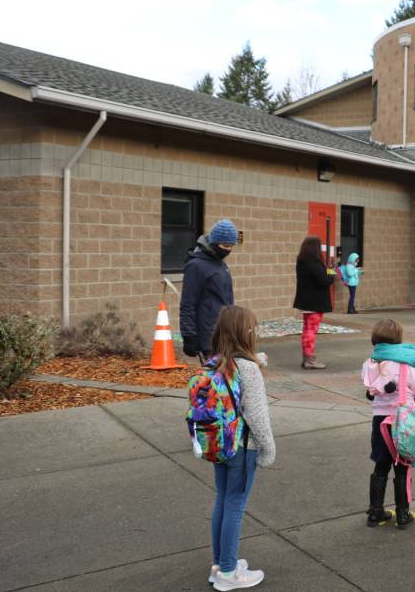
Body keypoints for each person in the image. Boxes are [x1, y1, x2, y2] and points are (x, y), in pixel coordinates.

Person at [207, 305, 275, 591]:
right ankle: (228, 572)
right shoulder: (249, 370)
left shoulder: (215, 363)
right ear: (246, 332)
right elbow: (256, 415)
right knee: (236, 505)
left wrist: (256, 361)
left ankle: (220, 562)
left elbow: (240, 369)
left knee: (223, 500)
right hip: (243, 447)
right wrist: (268, 448)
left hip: (219, 443)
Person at [361, 319, 415, 530]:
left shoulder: (368, 364)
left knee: (380, 464)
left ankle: (375, 512)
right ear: (398, 341)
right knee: (402, 466)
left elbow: (371, 389)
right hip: (403, 421)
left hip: (379, 421)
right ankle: (402, 513)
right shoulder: (404, 366)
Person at [181, 219, 237, 360]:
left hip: (225, 332)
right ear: (214, 242)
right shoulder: (196, 266)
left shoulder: (221, 264)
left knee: (226, 378)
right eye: (225, 245)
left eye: (231, 246)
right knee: (216, 378)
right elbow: (188, 304)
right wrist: (189, 335)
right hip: (208, 336)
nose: (228, 250)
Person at [293, 235, 336, 369]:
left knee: (307, 330)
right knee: (311, 331)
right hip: (314, 303)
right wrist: (331, 271)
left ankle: (306, 358)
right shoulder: (314, 264)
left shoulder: (302, 262)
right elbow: (325, 281)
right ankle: (310, 359)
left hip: (306, 302)